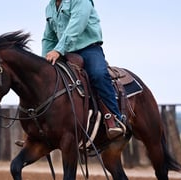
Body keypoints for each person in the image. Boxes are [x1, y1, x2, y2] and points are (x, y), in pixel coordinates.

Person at [42, 0, 125, 138]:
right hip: (64, 52)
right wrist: (44, 60)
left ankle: (115, 119)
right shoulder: (50, 7)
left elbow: (76, 26)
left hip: (88, 49)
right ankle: (40, 127)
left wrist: (58, 50)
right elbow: (48, 37)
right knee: (45, 80)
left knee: (98, 74)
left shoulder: (80, 1)